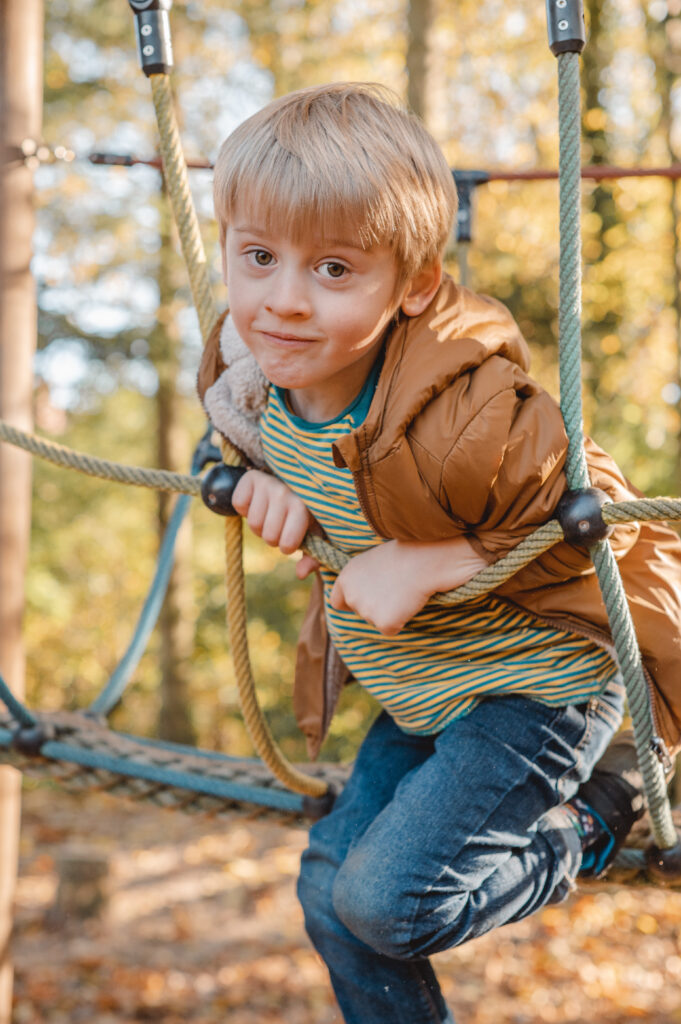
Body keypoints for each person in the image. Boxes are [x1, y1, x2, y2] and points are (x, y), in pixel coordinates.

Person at [197, 82, 681, 1024]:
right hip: (422, 689)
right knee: (328, 892)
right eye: (257, 257)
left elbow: (595, 513)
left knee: (385, 901)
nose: (282, 301)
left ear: (413, 286)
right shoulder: (249, 381)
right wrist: (261, 483)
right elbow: (229, 448)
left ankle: (591, 818)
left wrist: (435, 559)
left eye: (333, 270)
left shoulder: (465, 408)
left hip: (534, 692)